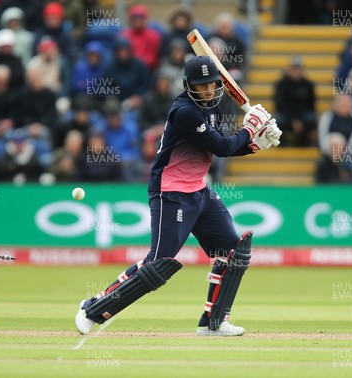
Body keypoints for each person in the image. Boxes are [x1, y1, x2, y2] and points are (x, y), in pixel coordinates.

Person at [75, 56, 281, 336]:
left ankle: (214, 322)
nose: (208, 91)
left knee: (232, 252)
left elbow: (217, 147)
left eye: (212, 85)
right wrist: (249, 129)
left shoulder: (211, 106)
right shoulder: (184, 111)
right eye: (202, 86)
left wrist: (256, 144)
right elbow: (221, 146)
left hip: (199, 190)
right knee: (158, 264)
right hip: (171, 192)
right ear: (188, 85)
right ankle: (93, 308)